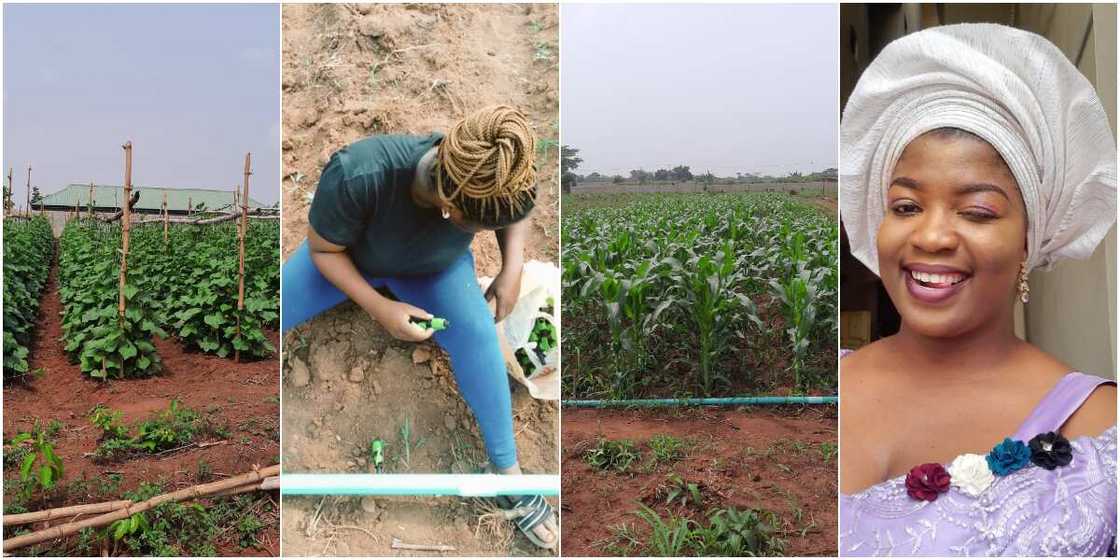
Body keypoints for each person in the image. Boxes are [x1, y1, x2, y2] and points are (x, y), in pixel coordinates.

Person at [838, 24, 1117, 556]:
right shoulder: (820, 388)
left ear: (1030, 240)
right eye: (905, 207)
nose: (932, 236)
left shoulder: (1100, 431)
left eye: (977, 212)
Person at [282, 105, 558, 549]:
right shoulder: (359, 174)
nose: (492, 229)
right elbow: (324, 250)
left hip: (435, 271)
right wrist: (377, 307)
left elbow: (516, 206)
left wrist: (512, 266)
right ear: (450, 209)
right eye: (483, 226)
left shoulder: (490, 167)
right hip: (349, 259)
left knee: (478, 337)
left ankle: (507, 471)